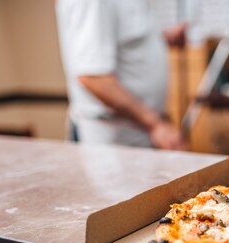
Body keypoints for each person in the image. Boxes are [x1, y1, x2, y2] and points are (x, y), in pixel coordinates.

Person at [56, 0, 186, 150]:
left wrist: (160, 39)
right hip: (109, 144)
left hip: (137, 135)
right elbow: (93, 77)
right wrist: (154, 124)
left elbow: (124, 38)